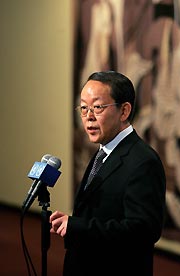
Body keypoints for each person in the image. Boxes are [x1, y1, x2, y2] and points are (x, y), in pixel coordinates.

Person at [49, 71, 166, 276]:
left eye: (97, 107)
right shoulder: (105, 151)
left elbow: (143, 231)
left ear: (124, 111)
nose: (89, 117)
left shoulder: (143, 161)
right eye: (84, 108)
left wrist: (77, 226)